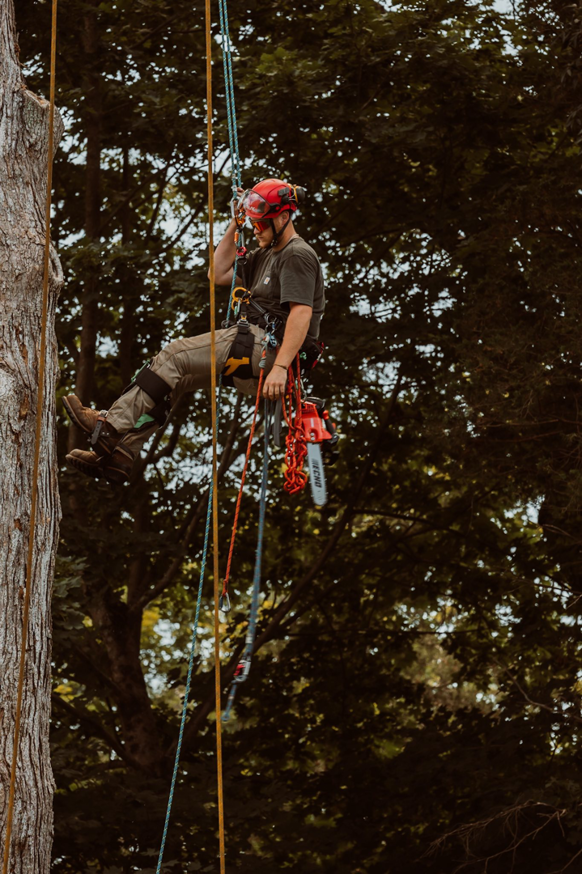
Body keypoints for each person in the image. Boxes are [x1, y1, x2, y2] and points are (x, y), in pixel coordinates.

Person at [64, 178, 326, 484]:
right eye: (253, 224)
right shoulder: (264, 254)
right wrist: (236, 221)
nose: (256, 230)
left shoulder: (296, 254)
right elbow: (217, 272)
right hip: (256, 353)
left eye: (261, 224)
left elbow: (301, 313)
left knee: (174, 356)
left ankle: (109, 425)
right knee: (173, 380)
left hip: (269, 351)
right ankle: (121, 454)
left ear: (284, 217)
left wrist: (281, 367)